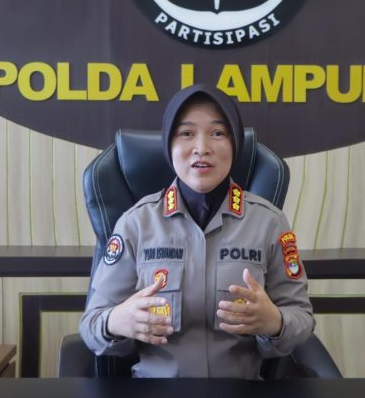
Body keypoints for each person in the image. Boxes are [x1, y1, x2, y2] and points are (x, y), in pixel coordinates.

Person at [79, 84, 314, 378]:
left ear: (235, 144)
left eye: (218, 133)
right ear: (169, 146)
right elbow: (91, 326)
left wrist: (276, 323)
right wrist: (116, 321)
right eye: (186, 133)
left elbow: (301, 318)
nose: (202, 148)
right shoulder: (136, 223)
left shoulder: (270, 223)